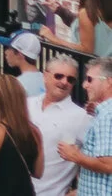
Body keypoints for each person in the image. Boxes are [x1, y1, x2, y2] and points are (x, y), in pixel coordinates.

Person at [34, 57, 90, 196]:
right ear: (45, 76)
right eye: (59, 76)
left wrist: (78, 192)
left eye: (70, 79)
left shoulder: (81, 117)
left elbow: (100, 159)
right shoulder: (26, 104)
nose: (64, 82)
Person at [56, 60, 112, 196]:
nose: (84, 85)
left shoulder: (107, 115)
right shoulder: (103, 113)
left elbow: (108, 164)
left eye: (90, 79)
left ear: (109, 82)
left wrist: (76, 156)